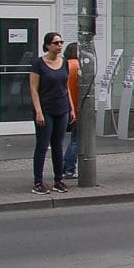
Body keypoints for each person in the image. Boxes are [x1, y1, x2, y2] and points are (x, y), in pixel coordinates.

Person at [28, 32, 75, 195]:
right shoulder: (38, 63)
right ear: (48, 45)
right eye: (56, 43)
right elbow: (33, 89)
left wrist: (71, 108)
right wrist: (38, 111)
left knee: (58, 145)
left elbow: (66, 86)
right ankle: (38, 181)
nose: (59, 45)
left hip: (61, 108)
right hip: (45, 109)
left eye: (61, 42)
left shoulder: (64, 63)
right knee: (42, 145)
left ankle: (58, 179)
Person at [61, 42, 81, 179]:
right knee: (76, 139)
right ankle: (69, 168)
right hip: (76, 107)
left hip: (64, 107)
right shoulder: (78, 66)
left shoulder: (63, 64)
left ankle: (64, 167)